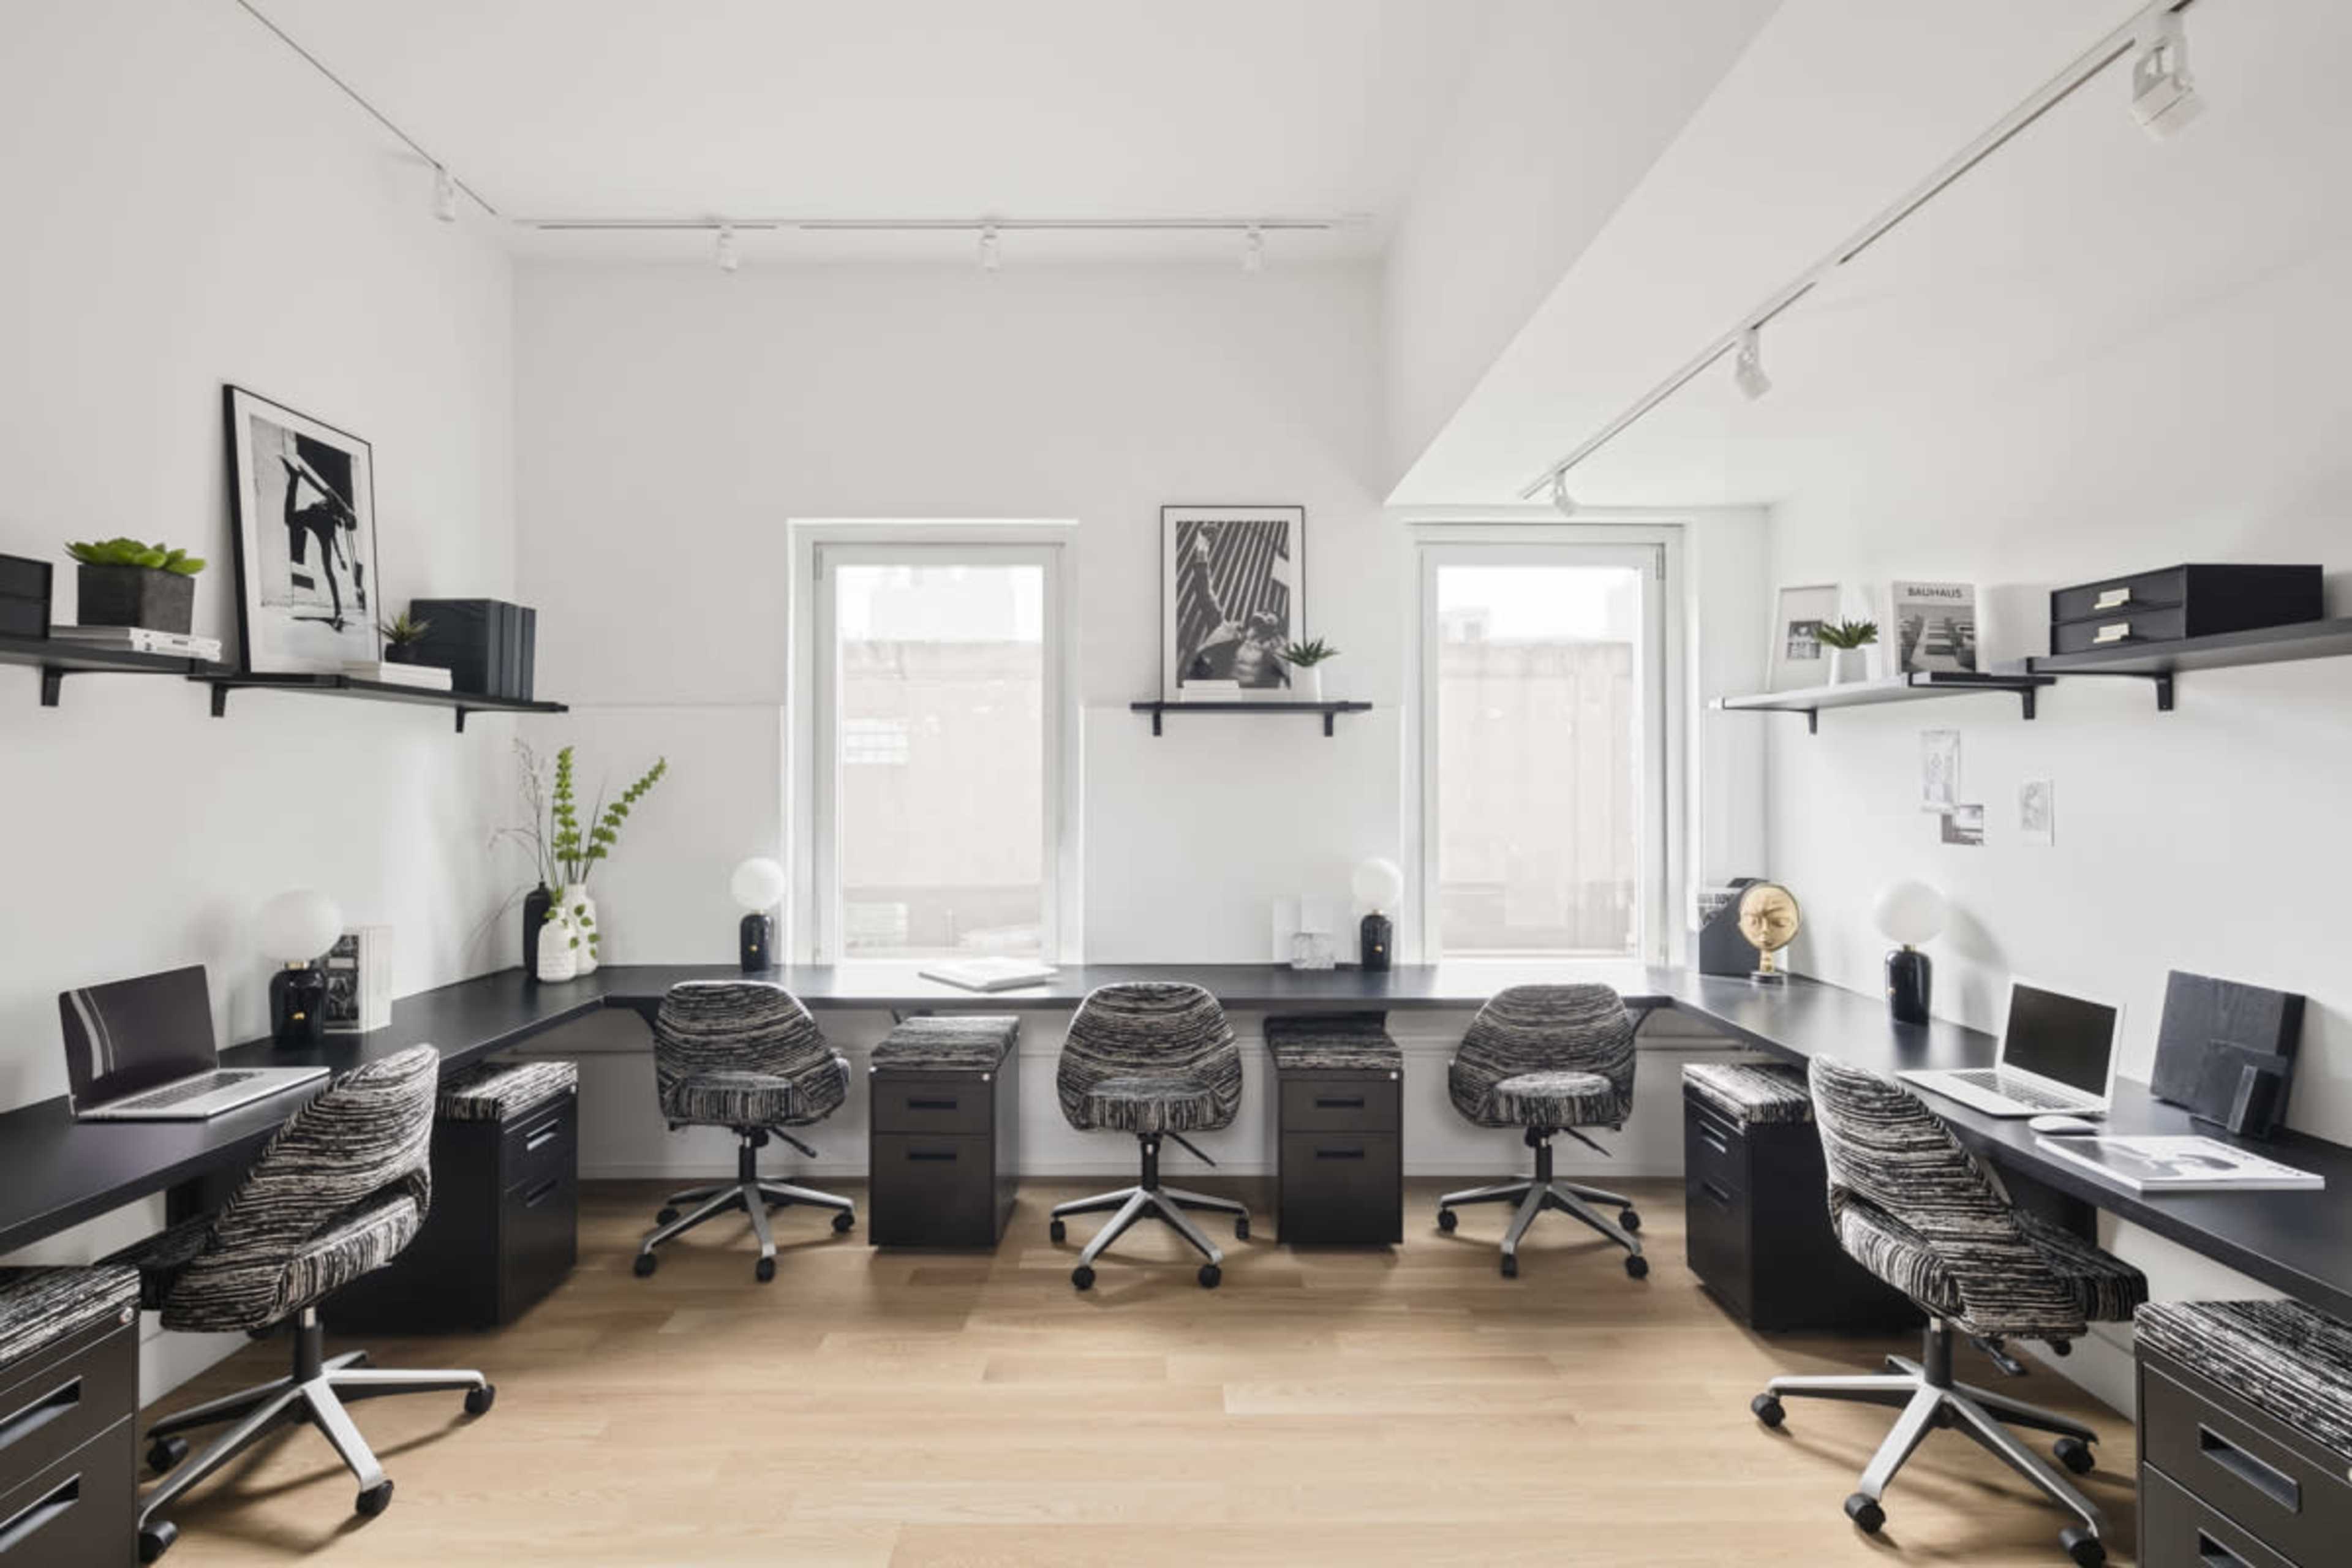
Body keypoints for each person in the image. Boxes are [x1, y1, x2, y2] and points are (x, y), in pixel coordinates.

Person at [281, 453, 361, 630]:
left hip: (321, 524)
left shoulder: (338, 517)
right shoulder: (341, 507)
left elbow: (335, 541)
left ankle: (338, 611)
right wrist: (306, 476)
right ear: (349, 519)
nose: (346, 525)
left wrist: (340, 559)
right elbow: (326, 491)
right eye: (348, 524)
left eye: (348, 525)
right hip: (320, 521)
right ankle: (338, 610)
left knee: (328, 570)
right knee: (329, 571)